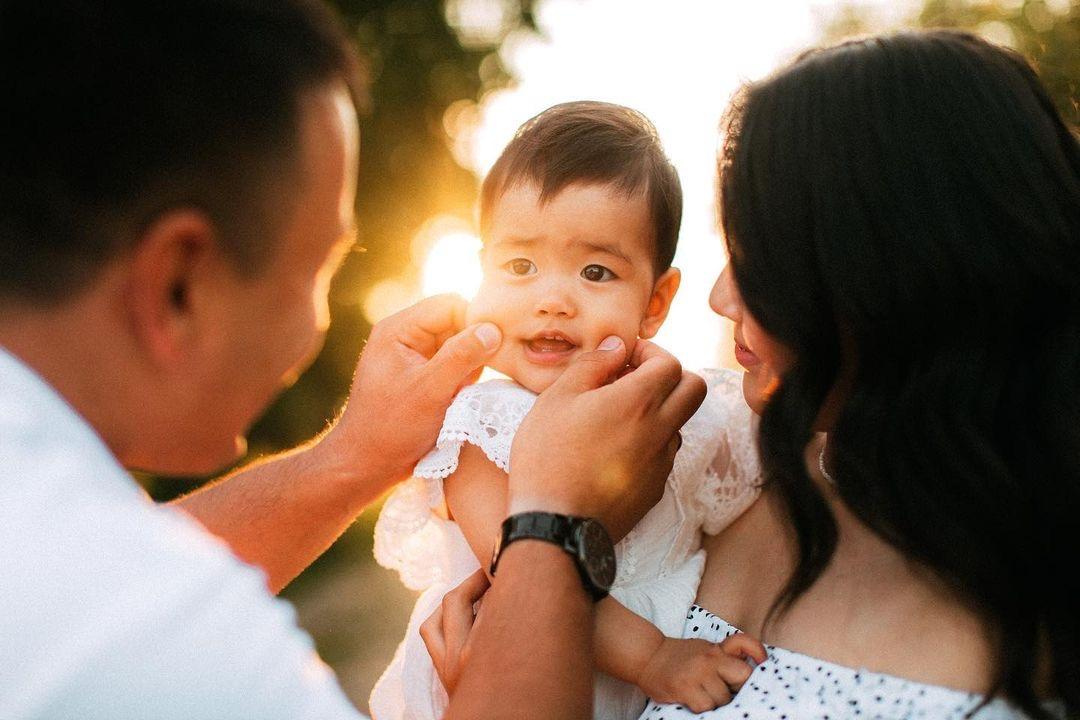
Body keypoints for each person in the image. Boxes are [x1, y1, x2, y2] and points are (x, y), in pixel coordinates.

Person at [0, 2, 704, 718]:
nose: (324, 321)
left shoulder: (53, 556)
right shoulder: (192, 654)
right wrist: (556, 528)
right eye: (319, 267)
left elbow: (113, 573)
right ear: (179, 284)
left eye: (594, 273)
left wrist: (356, 453)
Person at [427, 30, 1080, 719]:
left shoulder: (1040, 599)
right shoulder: (762, 480)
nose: (720, 298)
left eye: (761, 257)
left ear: (895, 275)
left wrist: (506, 680)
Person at [369, 101, 766, 720]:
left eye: (595, 271)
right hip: (516, 674)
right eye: (519, 266)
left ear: (655, 301)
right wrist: (657, 657)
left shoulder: (676, 409)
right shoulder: (479, 422)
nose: (552, 299)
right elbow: (523, 566)